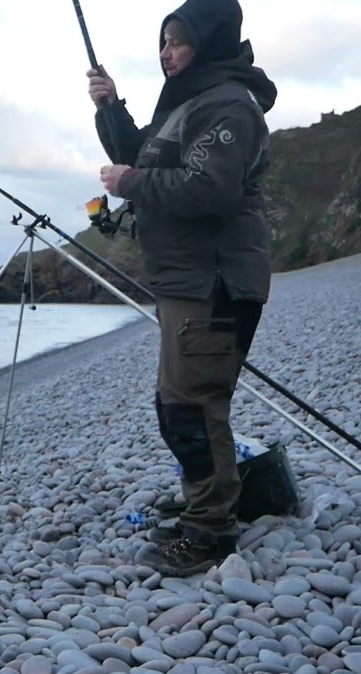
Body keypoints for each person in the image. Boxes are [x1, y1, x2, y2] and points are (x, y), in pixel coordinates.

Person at [86, 0, 278, 577]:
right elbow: (142, 152)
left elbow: (207, 189)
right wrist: (110, 107)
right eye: (162, 43)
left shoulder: (228, 105)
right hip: (189, 280)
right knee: (184, 404)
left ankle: (210, 532)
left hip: (213, 283)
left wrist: (131, 182)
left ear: (209, 40)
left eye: (177, 41)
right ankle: (208, 504)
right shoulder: (194, 99)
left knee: (191, 407)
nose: (167, 53)